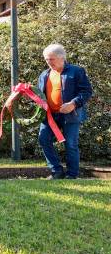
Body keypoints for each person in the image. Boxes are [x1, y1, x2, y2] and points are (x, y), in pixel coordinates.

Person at [35, 44, 93, 179]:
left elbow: (86, 92)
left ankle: (72, 175)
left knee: (70, 144)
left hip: (71, 115)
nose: (49, 62)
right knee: (43, 139)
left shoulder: (76, 71)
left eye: (52, 59)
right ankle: (57, 171)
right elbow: (39, 96)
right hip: (49, 116)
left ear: (62, 58)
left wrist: (73, 103)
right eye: (46, 59)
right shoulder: (44, 74)